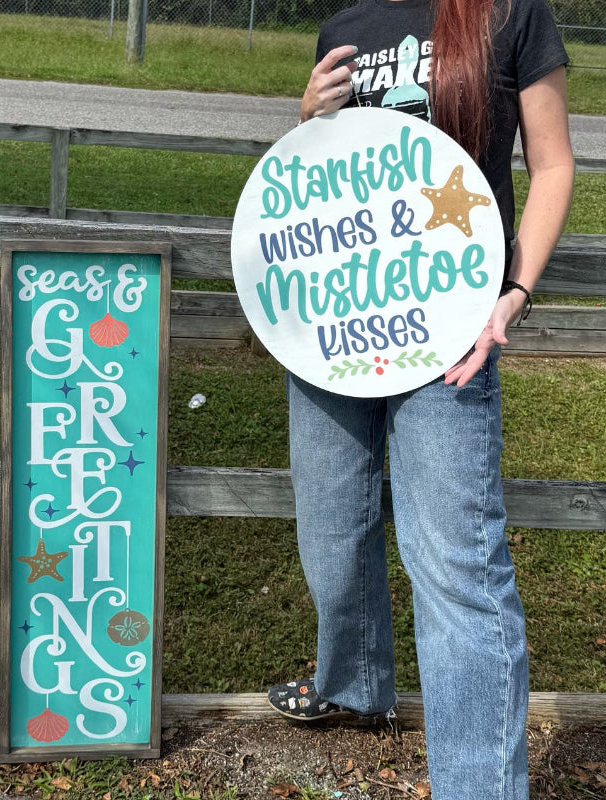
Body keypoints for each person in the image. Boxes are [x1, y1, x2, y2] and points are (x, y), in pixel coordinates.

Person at [266, 1, 574, 798]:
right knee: (331, 542)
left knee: (457, 572)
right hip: (335, 336)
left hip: (452, 339)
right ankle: (355, 687)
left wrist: (514, 291)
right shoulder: (345, 21)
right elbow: (321, 183)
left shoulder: (512, 13)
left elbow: (553, 163)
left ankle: (479, 786)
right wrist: (306, 120)